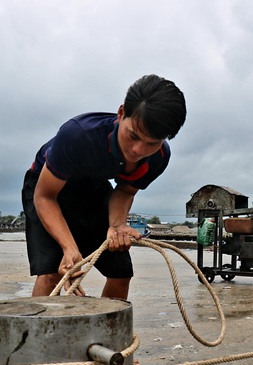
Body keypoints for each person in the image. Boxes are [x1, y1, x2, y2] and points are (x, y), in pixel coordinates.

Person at [22, 74, 186, 300]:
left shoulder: (157, 157)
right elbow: (44, 197)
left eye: (152, 143)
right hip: (48, 189)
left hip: (94, 188)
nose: (138, 150)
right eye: (133, 136)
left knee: (121, 273)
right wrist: (69, 248)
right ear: (121, 113)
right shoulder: (78, 135)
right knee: (52, 274)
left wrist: (117, 224)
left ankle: (107, 334)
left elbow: (126, 190)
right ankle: (34, 335)